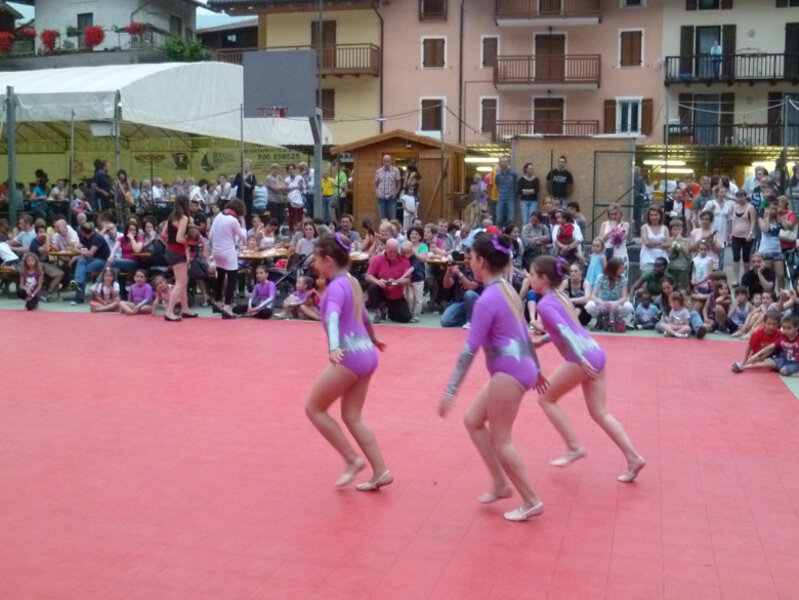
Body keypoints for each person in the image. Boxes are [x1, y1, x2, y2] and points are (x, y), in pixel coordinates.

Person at [439, 233, 545, 522]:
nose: (469, 263)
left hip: (509, 371)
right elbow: (523, 331)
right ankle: (499, 483)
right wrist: (537, 369)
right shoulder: (507, 289)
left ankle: (531, 500)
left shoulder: (488, 299)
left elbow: (469, 350)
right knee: (473, 420)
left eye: (471, 258)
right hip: (520, 365)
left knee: (502, 440)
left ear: (482, 262)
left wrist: (450, 391)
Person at [529, 255, 645, 482]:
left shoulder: (544, 304)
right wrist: (542, 341)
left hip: (582, 357)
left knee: (546, 399)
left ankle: (574, 446)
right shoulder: (561, 296)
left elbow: (565, 331)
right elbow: (567, 329)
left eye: (532, 274)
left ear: (543, 278)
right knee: (600, 413)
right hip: (595, 351)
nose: (529, 278)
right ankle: (633, 457)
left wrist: (580, 360)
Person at [304, 232, 391, 490]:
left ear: (328, 260)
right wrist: (373, 338)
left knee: (314, 408)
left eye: (317, 259)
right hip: (366, 353)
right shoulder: (352, 281)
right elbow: (363, 315)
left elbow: (332, 317)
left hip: (349, 356)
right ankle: (381, 471)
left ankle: (352, 459)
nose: (314, 264)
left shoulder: (335, 288)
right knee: (352, 416)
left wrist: (333, 347)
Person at [208, 198, 248, 319]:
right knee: (232, 279)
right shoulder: (233, 220)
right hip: (228, 252)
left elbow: (210, 236)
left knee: (220, 277)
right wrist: (243, 222)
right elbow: (244, 237)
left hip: (216, 251)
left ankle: (217, 301)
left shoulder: (218, 216)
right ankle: (227, 306)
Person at [164, 195, 197, 321]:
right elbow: (179, 238)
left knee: (182, 282)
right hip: (177, 251)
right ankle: (169, 312)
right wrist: (190, 242)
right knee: (180, 283)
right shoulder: (183, 218)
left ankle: (185, 309)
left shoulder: (172, 217)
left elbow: (164, 233)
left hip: (171, 250)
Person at [732, 313, 799, 376]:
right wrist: (754, 356)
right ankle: (743, 367)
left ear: (796, 328)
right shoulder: (783, 337)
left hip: (794, 362)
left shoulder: (787, 336)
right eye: (784, 328)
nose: (786, 330)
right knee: (769, 362)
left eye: (789, 328)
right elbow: (769, 347)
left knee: (782, 371)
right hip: (784, 359)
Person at [365, 238, 412, 324]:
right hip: (381, 290)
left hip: (395, 294)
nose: (393, 254)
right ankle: (378, 312)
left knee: (405, 318)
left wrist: (396, 282)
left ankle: (388, 310)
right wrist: (378, 281)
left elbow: (408, 280)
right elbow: (368, 276)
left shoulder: (404, 260)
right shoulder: (377, 259)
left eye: (395, 251)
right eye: (390, 251)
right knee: (372, 287)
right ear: (385, 249)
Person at [585, 258, 633, 332]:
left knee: (629, 306)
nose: (622, 271)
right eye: (620, 269)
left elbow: (624, 297)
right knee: (590, 305)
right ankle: (600, 319)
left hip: (616, 304)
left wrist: (616, 303)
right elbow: (593, 296)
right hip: (603, 304)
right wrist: (603, 303)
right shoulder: (601, 277)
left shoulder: (623, 277)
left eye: (623, 268)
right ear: (613, 269)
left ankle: (617, 319)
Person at [70, 222, 111, 305]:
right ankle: (78, 283)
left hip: (103, 261)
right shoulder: (85, 238)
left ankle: (78, 296)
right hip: (92, 259)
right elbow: (80, 246)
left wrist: (77, 252)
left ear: (82, 232)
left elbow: (90, 254)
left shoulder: (97, 238)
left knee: (82, 271)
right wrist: (76, 250)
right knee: (81, 262)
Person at [440, 247, 481, 328]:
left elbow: (471, 287)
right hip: (460, 301)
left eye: (469, 258)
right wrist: (448, 271)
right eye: (465, 258)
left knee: (469, 294)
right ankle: (471, 319)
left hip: (476, 302)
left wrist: (459, 274)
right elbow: (446, 285)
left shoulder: (479, 270)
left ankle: (471, 321)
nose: (466, 260)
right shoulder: (461, 268)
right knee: (445, 321)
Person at [730, 189, 758, 284]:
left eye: (742, 197)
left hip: (747, 236)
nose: (740, 199)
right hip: (735, 236)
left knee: (746, 257)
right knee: (736, 256)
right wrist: (731, 233)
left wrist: (750, 233)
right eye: (738, 197)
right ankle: (735, 279)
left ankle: (747, 277)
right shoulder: (734, 207)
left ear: (746, 197)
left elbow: (753, 221)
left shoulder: (750, 208)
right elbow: (733, 220)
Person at [758, 199, 785, 292]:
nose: (774, 211)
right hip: (766, 249)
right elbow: (765, 229)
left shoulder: (778, 218)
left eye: (775, 209)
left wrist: (780, 216)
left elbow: (786, 227)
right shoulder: (761, 218)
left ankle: (781, 293)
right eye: (772, 208)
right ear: (767, 208)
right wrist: (767, 217)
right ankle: (769, 294)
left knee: (781, 274)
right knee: (768, 274)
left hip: (777, 249)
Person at [401, 237, 426, 323]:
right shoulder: (403, 257)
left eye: (408, 253)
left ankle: (416, 315)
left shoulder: (415, 258)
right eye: (404, 253)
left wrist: (401, 277)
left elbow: (411, 269)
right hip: (409, 281)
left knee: (418, 299)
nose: (406, 255)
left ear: (412, 251)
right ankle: (410, 313)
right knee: (409, 297)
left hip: (418, 280)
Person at [639, 206, 670, 272]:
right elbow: (647, 243)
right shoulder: (644, 228)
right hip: (647, 259)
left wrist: (652, 244)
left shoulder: (665, 228)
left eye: (656, 215)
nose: (654, 217)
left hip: (662, 259)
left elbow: (668, 244)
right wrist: (659, 242)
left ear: (660, 215)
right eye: (651, 215)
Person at [560, 262, 592, 327]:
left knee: (579, 301)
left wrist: (571, 300)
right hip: (569, 311)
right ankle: (571, 321)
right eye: (571, 271)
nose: (573, 273)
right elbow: (557, 296)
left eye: (575, 271)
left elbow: (587, 298)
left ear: (581, 272)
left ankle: (572, 322)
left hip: (583, 315)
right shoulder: (565, 283)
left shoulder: (585, 283)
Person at [375, 154, 401, 221]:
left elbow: (399, 184)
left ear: (391, 161)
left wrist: (395, 194)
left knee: (392, 218)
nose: (386, 163)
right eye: (385, 161)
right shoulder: (378, 171)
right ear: (382, 161)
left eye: (388, 161)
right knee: (382, 218)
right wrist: (377, 193)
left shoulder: (396, 170)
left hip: (391, 198)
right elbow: (376, 184)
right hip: (381, 197)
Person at [494, 156, 518, 227]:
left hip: (510, 198)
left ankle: (509, 233)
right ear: (500, 163)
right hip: (501, 197)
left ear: (508, 163)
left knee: (510, 219)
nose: (504, 163)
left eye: (505, 161)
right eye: (502, 161)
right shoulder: (497, 174)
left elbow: (516, 185)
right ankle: (498, 233)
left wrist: (514, 195)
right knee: (499, 219)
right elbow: (497, 185)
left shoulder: (513, 174)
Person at [233, 159, 256, 226]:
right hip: (240, 196)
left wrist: (245, 183)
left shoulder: (252, 176)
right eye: (245, 165)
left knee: (248, 212)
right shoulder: (239, 175)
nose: (246, 167)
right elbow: (235, 183)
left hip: (248, 197)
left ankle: (248, 227)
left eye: (247, 166)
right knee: (239, 211)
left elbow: (252, 187)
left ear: (250, 167)